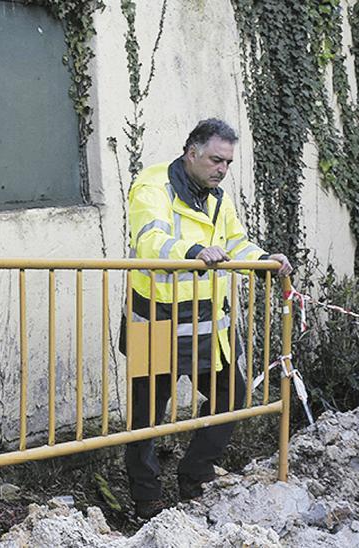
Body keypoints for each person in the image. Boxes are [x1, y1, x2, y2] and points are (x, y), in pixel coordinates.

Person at [122, 118, 294, 519]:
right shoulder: (153, 187)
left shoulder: (217, 197)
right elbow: (149, 239)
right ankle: (146, 500)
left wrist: (264, 260)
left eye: (228, 163)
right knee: (147, 418)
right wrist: (193, 249)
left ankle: (194, 476)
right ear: (192, 152)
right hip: (158, 321)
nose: (222, 169)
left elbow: (235, 242)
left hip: (202, 323)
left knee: (230, 397)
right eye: (216, 160)